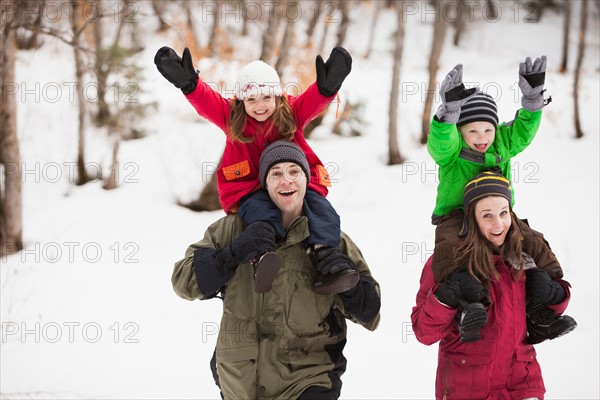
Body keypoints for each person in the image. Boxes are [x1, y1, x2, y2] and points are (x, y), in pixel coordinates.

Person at [172, 141, 381, 400]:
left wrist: (348, 283)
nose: (286, 181)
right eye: (276, 173)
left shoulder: (332, 241)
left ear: (306, 178)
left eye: (294, 171)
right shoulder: (231, 230)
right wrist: (232, 253)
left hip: (309, 379)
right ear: (265, 183)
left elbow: (371, 314)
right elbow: (183, 283)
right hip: (240, 382)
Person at [155, 46, 358, 295]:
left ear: (277, 97)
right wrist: (190, 85)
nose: (259, 106)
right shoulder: (232, 116)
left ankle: (327, 257)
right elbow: (207, 102)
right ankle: (263, 259)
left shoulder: (291, 113)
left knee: (320, 209)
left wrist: (327, 88)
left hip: (294, 184)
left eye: (266, 98)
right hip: (250, 188)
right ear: (242, 100)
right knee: (260, 216)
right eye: (251, 99)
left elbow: (312, 103)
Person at [426, 56, 575, 342]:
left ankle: (543, 305)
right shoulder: (453, 150)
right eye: (473, 130)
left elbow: (522, 132)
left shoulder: (501, 144)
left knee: (533, 241)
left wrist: (531, 103)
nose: (482, 137)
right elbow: (440, 142)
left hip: (499, 214)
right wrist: (447, 115)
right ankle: (469, 308)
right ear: (460, 130)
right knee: (452, 253)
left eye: (488, 130)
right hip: (456, 216)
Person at [411, 171, 576, 400]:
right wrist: (447, 296)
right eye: (487, 215)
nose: (498, 224)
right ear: (472, 218)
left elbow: (555, 302)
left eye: (503, 213)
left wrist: (553, 294)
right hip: (466, 387)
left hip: (521, 383)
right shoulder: (446, 263)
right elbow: (424, 332)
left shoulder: (524, 255)